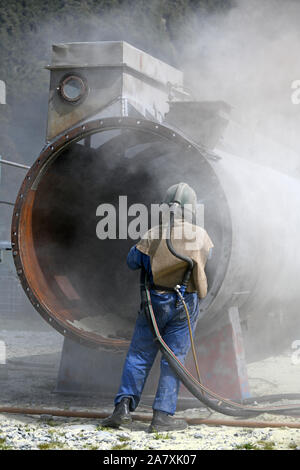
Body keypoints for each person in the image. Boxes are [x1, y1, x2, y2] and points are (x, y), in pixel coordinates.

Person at [102, 183, 213, 432]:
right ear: (191, 209)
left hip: (154, 302)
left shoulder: (154, 233)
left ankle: (123, 409)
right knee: (173, 359)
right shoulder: (201, 236)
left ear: (166, 207)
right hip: (185, 303)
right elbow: (208, 260)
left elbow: (133, 261)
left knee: (139, 355)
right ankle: (162, 417)